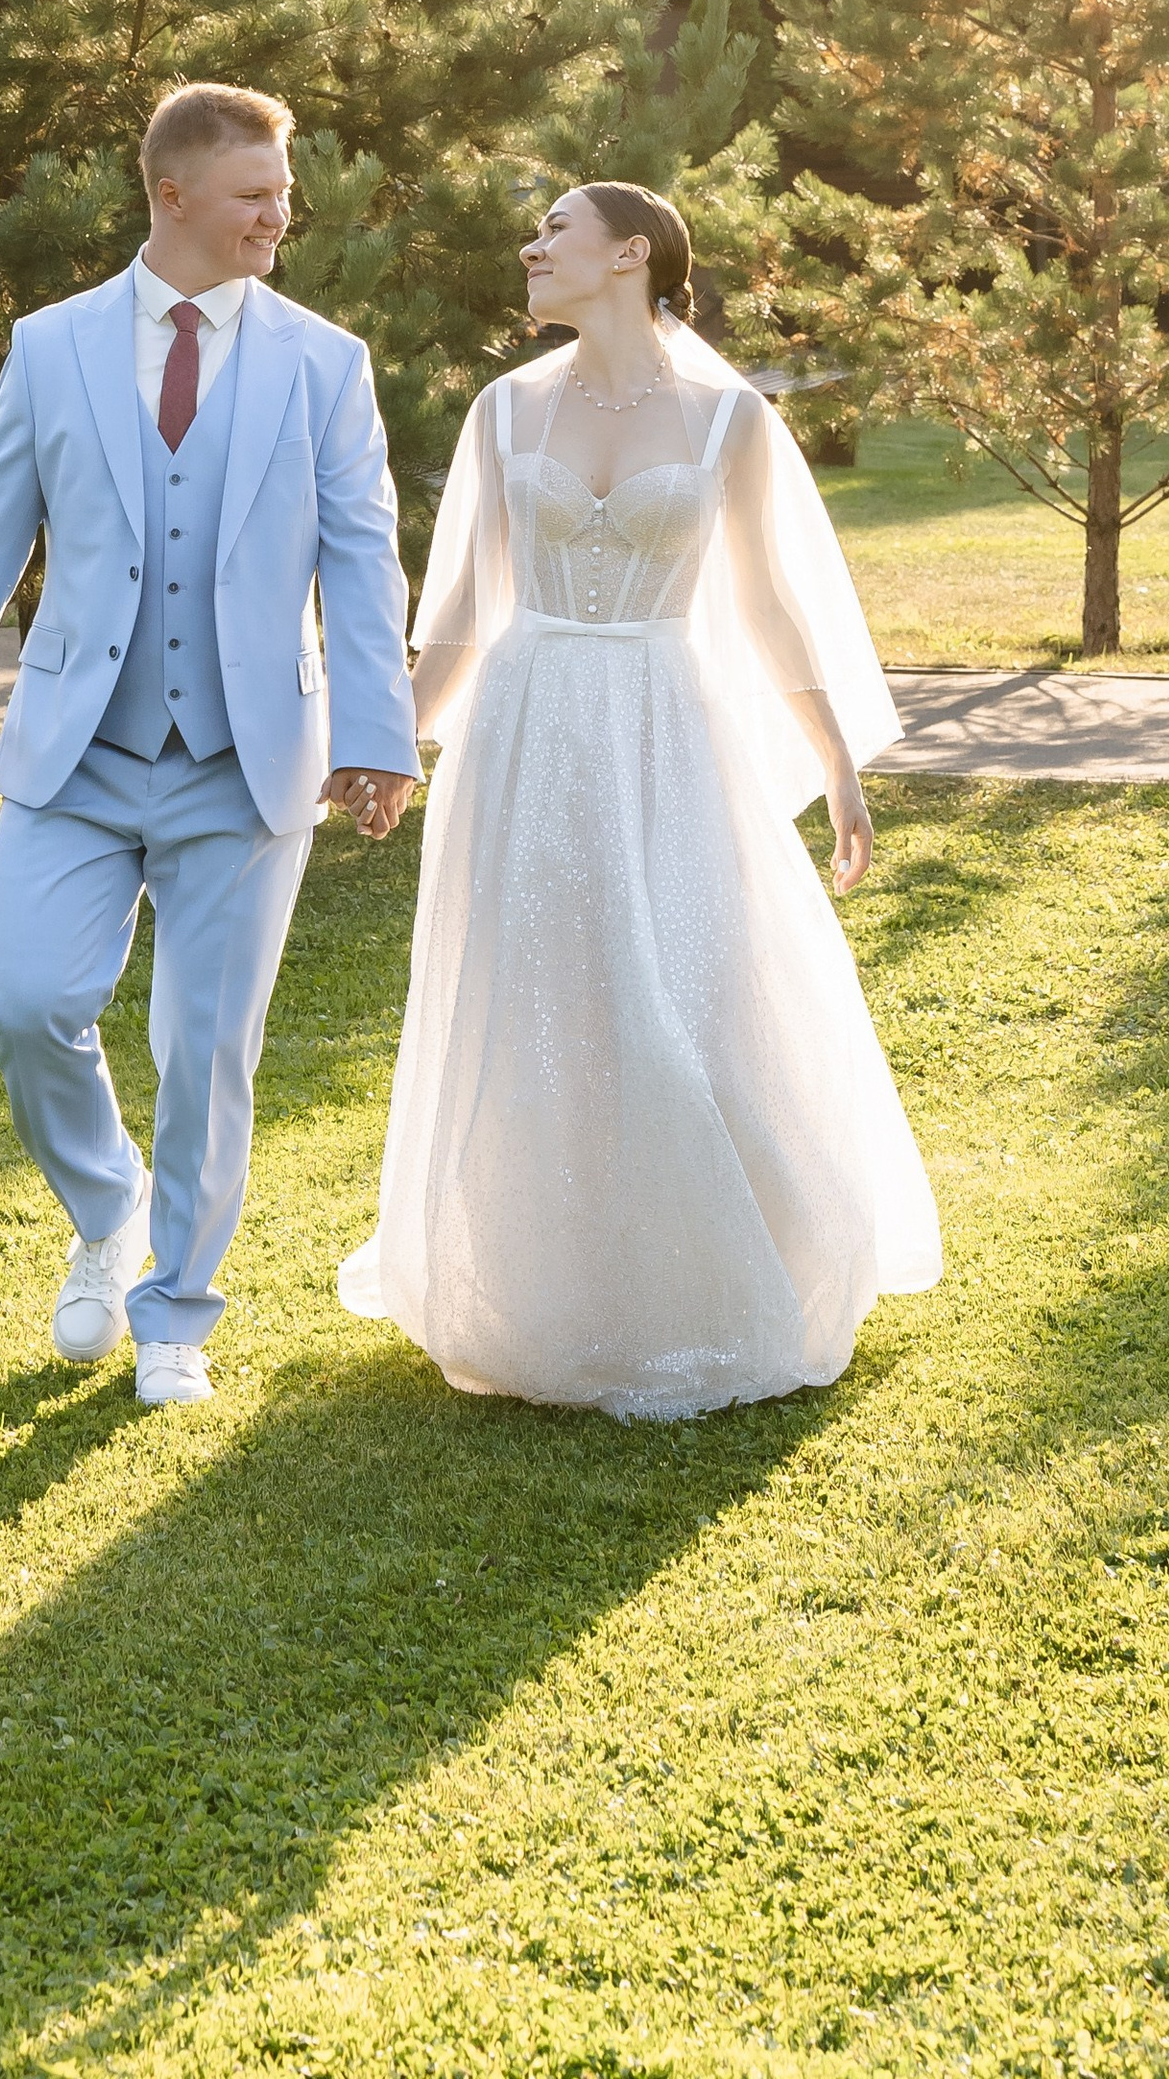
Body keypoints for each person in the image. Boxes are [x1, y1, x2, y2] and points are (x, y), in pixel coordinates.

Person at [339, 181, 941, 1419]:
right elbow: (456, 613)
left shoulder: (729, 420)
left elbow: (771, 604)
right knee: (545, 991)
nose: (530, 246)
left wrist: (833, 760)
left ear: (629, 255)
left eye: (553, 230)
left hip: (669, 724)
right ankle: (553, 1289)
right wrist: (398, 745)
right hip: (529, 726)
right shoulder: (503, 411)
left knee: (687, 982)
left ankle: (713, 1274)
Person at [0, 85, 420, 1408]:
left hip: (247, 764)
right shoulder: (53, 348)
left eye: (283, 195)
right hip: (77, 753)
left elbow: (361, 560)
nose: (279, 216)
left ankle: (177, 1311)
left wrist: (378, 734)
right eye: (254, 195)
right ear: (171, 194)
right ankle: (107, 1209)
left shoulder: (322, 362)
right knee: (26, 1002)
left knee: (207, 1051)